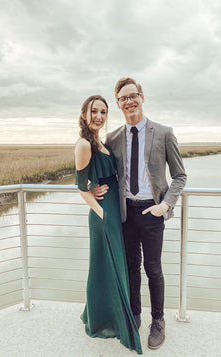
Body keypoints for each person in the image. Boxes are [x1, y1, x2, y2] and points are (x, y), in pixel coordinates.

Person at [94, 78, 187, 350]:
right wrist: (92, 191)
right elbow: (107, 175)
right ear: (119, 104)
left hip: (152, 211)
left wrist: (165, 205)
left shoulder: (165, 133)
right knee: (132, 268)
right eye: (123, 98)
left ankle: (158, 320)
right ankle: (134, 314)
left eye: (132, 95)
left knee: (153, 269)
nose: (129, 101)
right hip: (125, 214)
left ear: (142, 97)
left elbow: (180, 176)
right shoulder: (112, 139)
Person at [74, 94, 142, 355]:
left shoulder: (99, 141)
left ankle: (105, 313)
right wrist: (100, 212)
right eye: (94, 111)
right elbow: (81, 187)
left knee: (112, 262)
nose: (99, 116)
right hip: (104, 213)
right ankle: (103, 320)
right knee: (104, 263)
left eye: (103, 112)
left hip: (113, 207)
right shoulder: (83, 144)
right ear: (85, 114)